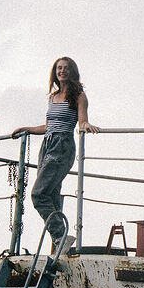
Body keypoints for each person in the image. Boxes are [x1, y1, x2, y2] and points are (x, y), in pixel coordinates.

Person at [14, 56, 98, 243]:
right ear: (55, 72)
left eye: (66, 68)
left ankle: (60, 235)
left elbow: (82, 121)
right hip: (47, 145)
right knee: (51, 194)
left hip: (62, 145)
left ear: (72, 72)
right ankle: (60, 242)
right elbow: (47, 127)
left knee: (38, 194)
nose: (62, 71)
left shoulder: (78, 96)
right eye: (59, 68)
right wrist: (25, 129)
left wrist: (87, 125)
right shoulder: (53, 97)